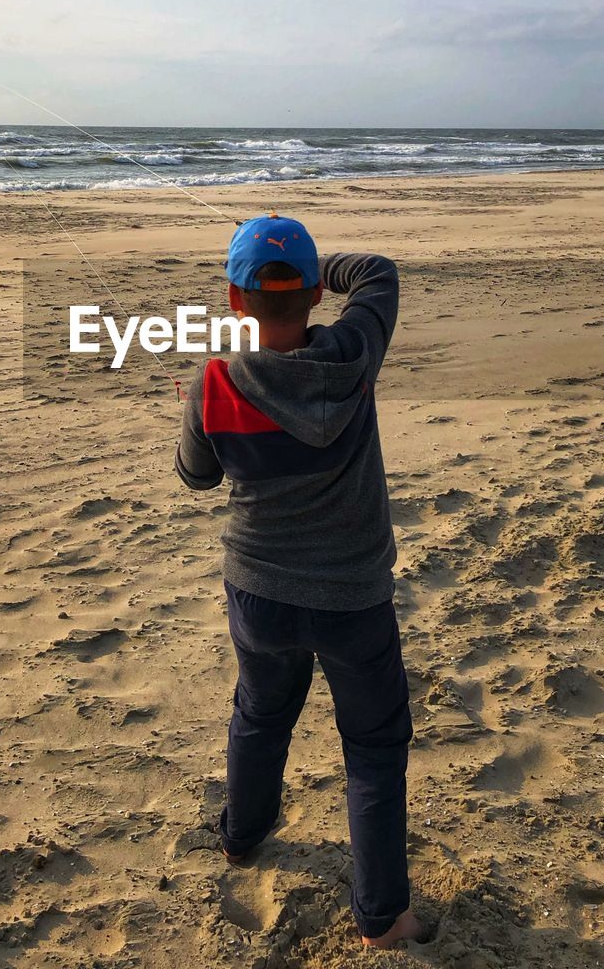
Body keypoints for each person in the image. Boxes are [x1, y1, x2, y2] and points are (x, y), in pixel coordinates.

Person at [174, 213, 420, 950]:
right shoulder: (352, 352)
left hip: (263, 591)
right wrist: (313, 271)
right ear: (316, 296)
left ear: (232, 299)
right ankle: (382, 915)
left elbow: (196, 476)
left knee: (260, 712)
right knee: (373, 749)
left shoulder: (216, 379)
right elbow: (377, 270)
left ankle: (242, 837)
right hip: (352, 596)